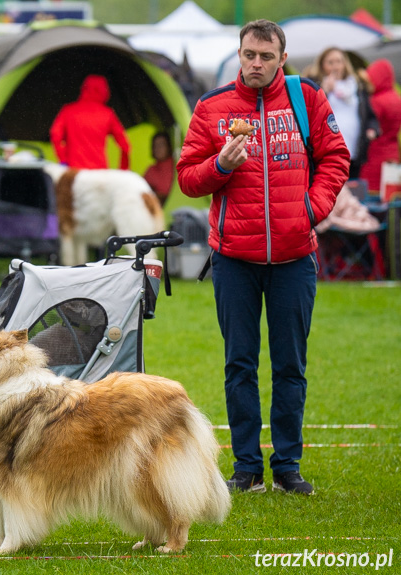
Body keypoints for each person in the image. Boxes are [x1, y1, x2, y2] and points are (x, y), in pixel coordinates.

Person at [177, 19, 349, 496]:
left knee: (291, 366)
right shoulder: (212, 107)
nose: (256, 64)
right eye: (249, 55)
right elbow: (188, 177)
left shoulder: (306, 98)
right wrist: (220, 166)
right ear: (240, 54)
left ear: (282, 58)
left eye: (265, 57)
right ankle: (247, 467)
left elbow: (336, 157)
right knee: (240, 365)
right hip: (234, 258)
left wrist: (311, 209)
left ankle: (288, 466)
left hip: (294, 257)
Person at [308, 47, 378, 179]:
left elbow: (370, 116)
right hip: (328, 151)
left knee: (352, 188)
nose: (335, 66)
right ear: (322, 65)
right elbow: (311, 113)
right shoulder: (315, 86)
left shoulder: (356, 85)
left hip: (354, 150)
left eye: (339, 61)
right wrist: (325, 92)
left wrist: (372, 130)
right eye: (330, 62)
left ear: (345, 64)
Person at [50, 74, 131, 170]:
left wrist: (63, 159)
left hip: (73, 170)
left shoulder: (68, 110)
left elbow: (55, 135)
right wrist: (123, 169)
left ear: (83, 89)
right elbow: (125, 146)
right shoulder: (107, 114)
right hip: (99, 170)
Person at [360, 59, 401, 193]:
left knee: (373, 198)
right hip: (393, 153)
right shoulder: (397, 98)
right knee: (390, 196)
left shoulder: (376, 101)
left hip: (375, 155)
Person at [143, 131, 175, 205]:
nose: (158, 149)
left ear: (169, 146)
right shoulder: (151, 171)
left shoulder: (177, 165)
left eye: (161, 145)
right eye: (155, 146)